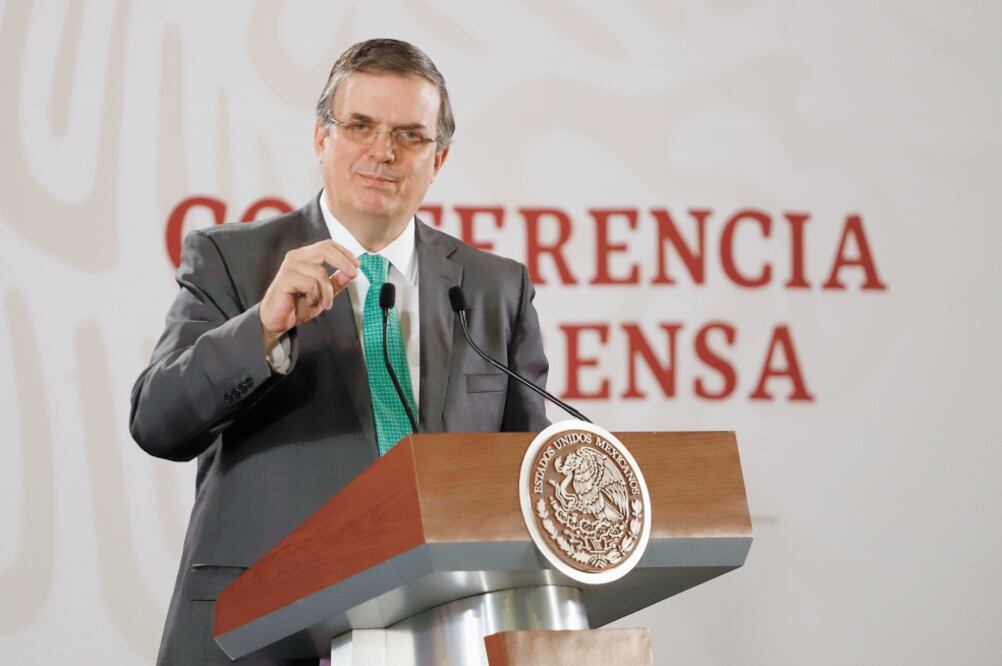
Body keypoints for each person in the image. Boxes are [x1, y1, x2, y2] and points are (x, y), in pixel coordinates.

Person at [130, 38, 549, 665]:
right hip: (263, 631)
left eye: (410, 135)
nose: (383, 152)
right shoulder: (234, 260)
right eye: (361, 127)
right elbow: (156, 422)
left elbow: (525, 477)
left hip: (440, 634)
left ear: (439, 159)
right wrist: (263, 329)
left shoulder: (495, 287)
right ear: (322, 138)